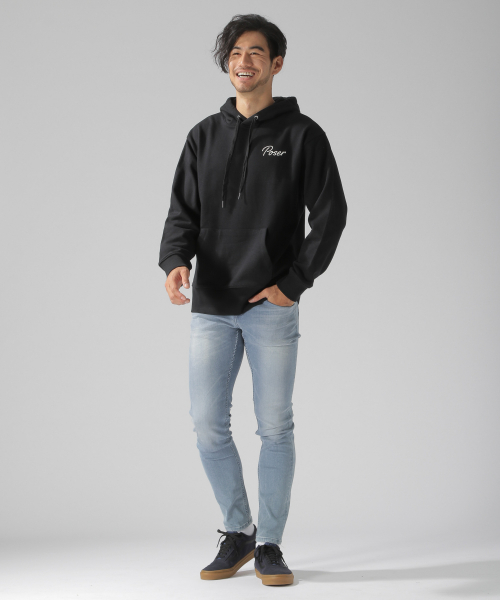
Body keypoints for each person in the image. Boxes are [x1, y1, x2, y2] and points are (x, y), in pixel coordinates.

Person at [158, 13, 347, 586]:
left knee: (274, 427)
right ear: (227, 63)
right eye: (236, 52)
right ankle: (238, 531)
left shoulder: (302, 135)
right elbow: (182, 210)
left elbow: (331, 214)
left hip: (271, 307)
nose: (244, 61)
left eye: (256, 53)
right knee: (207, 425)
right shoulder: (203, 135)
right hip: (212, 304)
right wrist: (175, 261)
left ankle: (270, 544)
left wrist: (294, 283)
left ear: (276, 63)